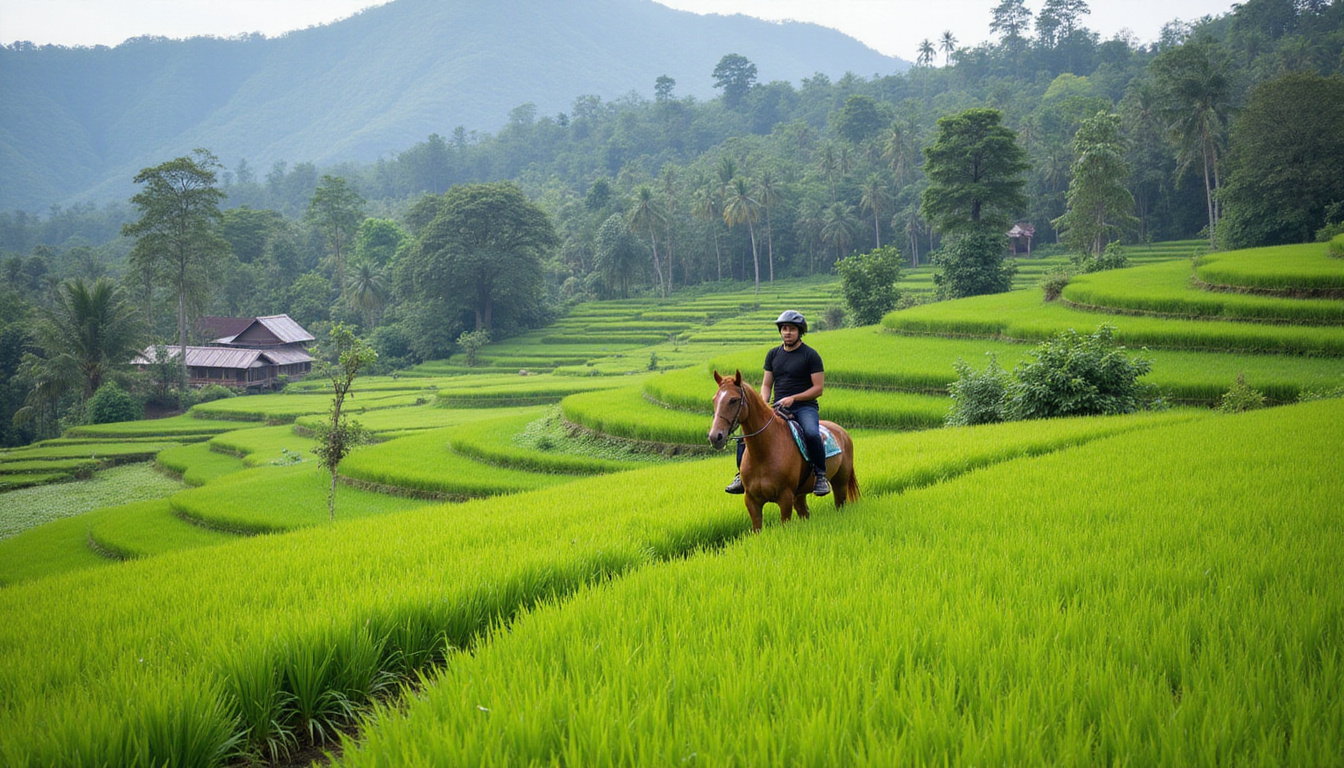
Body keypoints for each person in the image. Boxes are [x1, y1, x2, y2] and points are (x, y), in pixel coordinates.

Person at [726, 309, 830, 496]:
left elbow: (818, 389)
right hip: (778, 407)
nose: (787, 332)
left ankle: (820, 475)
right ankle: (740, 477)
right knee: (745, 436)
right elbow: (767, 384)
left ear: (800, 332)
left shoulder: (810, 355)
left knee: (812, 433)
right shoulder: (773, 354)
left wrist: (794, 398)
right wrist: (763, 403)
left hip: (804, 406)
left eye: (791, 329)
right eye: (784, 328)